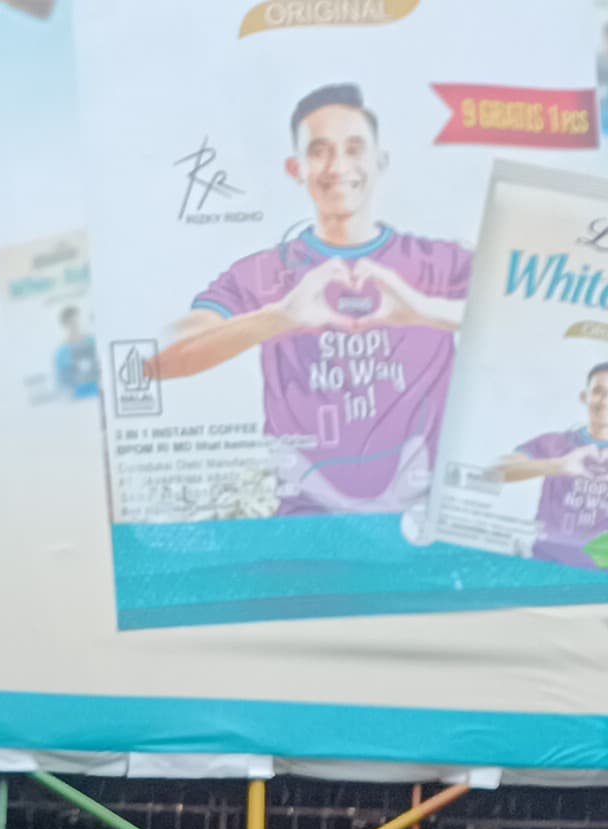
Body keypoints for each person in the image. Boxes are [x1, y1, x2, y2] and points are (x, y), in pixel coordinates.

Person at [147, 85, 469, 520]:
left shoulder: (438, 264)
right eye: (319, 151)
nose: (338, 167)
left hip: (425, 526)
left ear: (381, 161)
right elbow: (157, 358)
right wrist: (279, 317)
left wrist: (424, 310)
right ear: (295, 168)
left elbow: (545, 323)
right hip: (305, 528)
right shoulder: (265, 274)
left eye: (354, 148)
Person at [469, 361, 608, 572]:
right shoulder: (556, 443)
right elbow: (493, 472)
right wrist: (558, 465)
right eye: (598, 391)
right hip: (544, 564)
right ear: (584, 397)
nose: (605, 400)